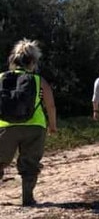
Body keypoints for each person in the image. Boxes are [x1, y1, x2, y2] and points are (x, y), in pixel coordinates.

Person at [0, 39, 57, 206]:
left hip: (5, 126)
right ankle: (27, 198)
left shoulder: (1, 77)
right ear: (32, 62)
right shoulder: (39, 80)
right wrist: (52, 126)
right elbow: (51, 106)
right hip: (35, 126)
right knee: (30, 163)